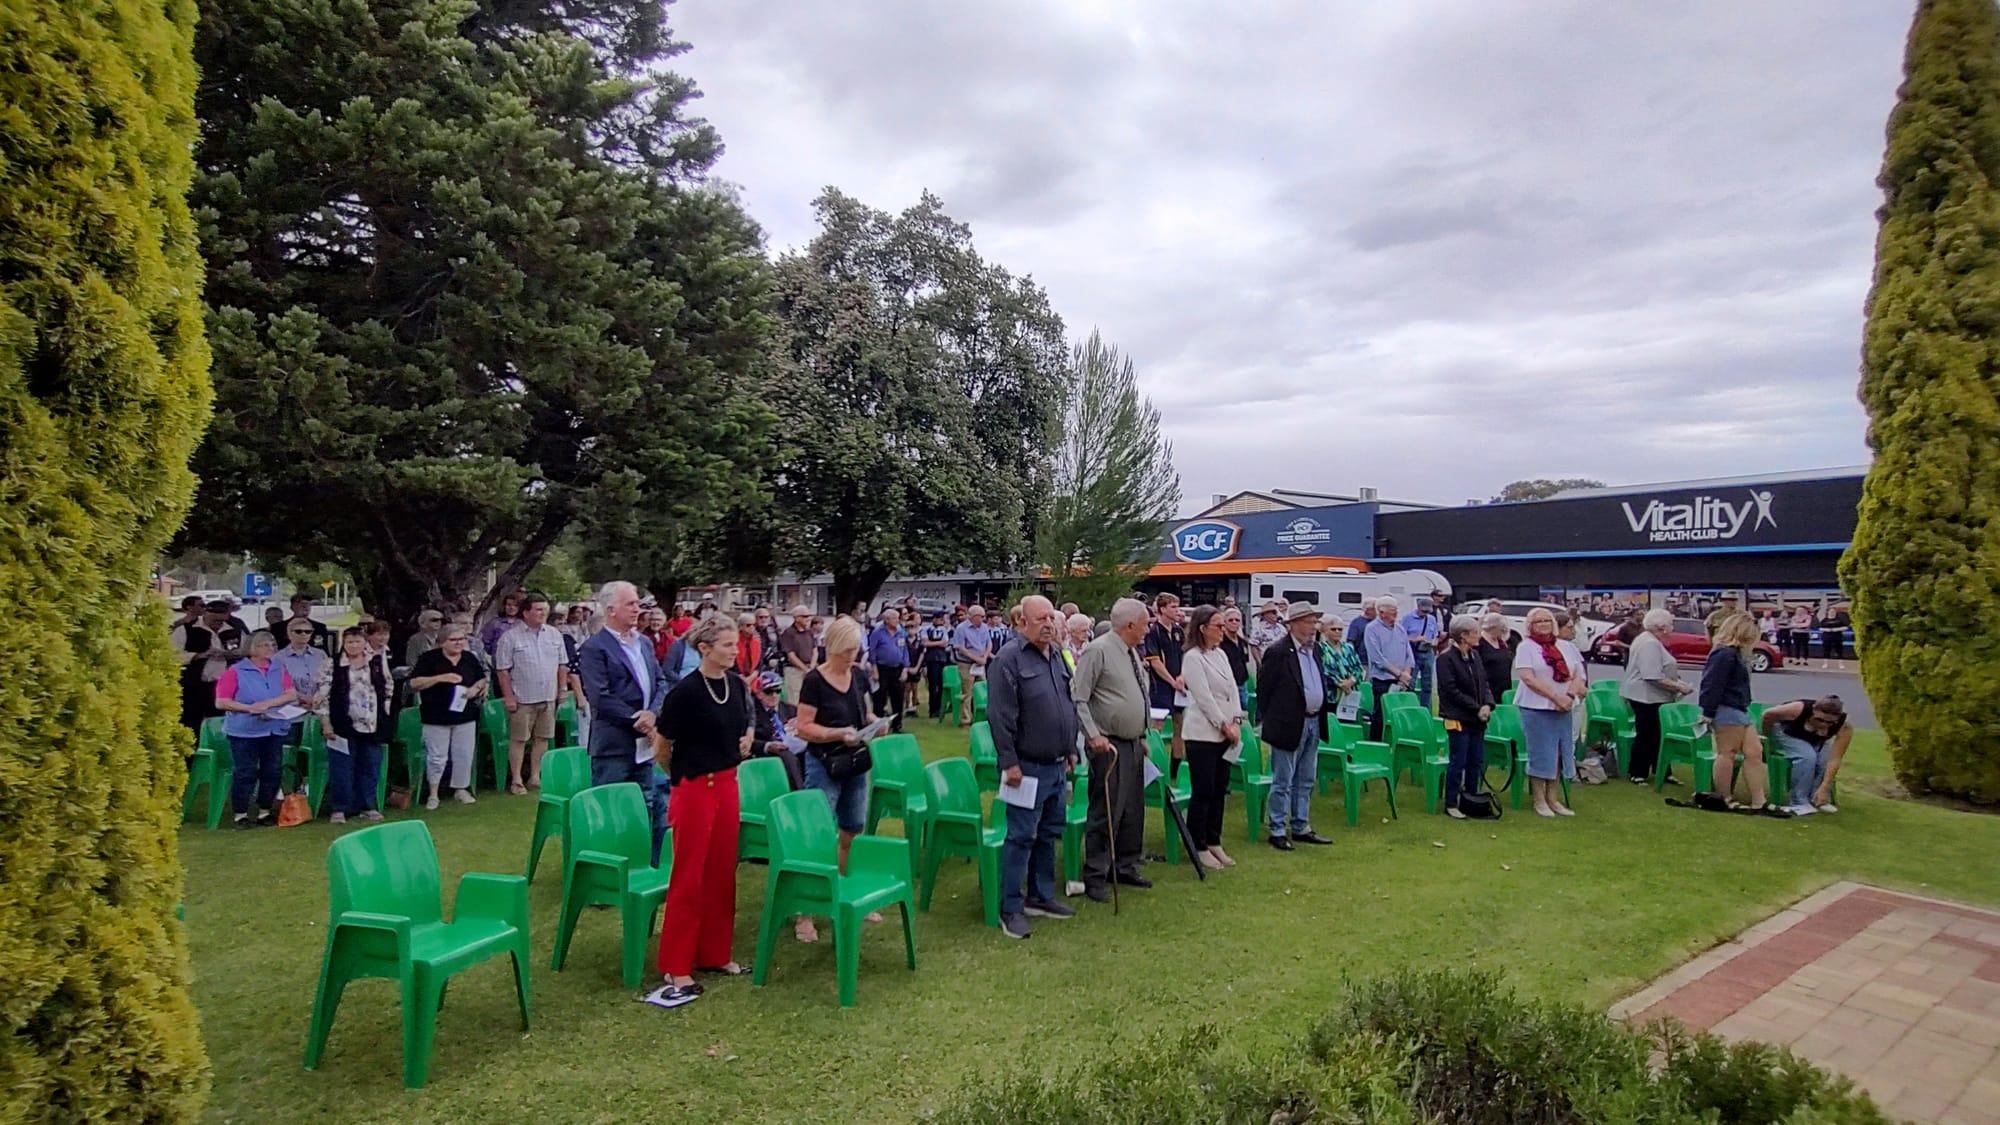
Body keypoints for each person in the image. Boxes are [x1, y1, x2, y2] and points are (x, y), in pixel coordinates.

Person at [646, 615, 750, 1008]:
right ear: (704, 648)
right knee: (689, 874)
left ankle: (714, 953)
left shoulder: (736, 685)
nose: (733, 650)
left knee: (722, 871)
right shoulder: (685, 693)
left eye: (735, 644)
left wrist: (742, 742)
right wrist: (681, 779)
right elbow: (663, 746)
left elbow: (741, 725)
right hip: (694, 789)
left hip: (728, 784)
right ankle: (676, 963)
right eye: (726, 644)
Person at [987, 596, 1081, 938]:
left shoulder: (1057, 655)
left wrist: (1071, 748)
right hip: (1025, 767)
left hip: (1056, 765)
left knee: (1049, 832)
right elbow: (999, 716)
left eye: (1051, 619)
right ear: (1022, 623)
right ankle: (1010, 907)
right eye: (1040, 619)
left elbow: (1067, 703)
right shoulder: (1008, 660)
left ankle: (1041, 896)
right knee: (1021, 836)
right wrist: (1008, 762)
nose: (1048, 624)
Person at [792, 616, 878, 943]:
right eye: (846, 652)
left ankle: (845, 888)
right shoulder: (815, 680)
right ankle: (804, 911)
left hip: (856, 764)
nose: (852, 657)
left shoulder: (857, 675)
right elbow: (802, 726)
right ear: (832, 648)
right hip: (824, 763)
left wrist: (875, 723)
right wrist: (835, 734)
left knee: (852, 830)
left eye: (855, 651)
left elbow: (863, 712)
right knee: (817, 834)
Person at [578, 581, 670, 862]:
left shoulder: (643, 642)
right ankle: (605, 874)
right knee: (610, 808)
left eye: (637, 603)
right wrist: (636, 719)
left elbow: (660, 682)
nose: (637, 608)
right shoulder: (594, 648)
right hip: (613, 744)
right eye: (630, 603)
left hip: (643, 743)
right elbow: (600, 697)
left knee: (647, 803)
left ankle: (647, 862)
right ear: (611, 610)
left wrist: (652, 713)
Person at [1071, 598, 1154, 900]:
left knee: (1133, 810)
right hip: (1108, 745)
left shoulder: (1131, 651)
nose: (1148, 629)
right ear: (1130, 624)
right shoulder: (1099, 650)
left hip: (1132, 743)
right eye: (1145, 623)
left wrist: (1140, 732)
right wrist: (1092, 734)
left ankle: (1126, 865)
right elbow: (1079, 697)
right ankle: (1096, 874)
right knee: (1106, 811)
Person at [1256, 603, 1333, 849]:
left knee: (1306, 777)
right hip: (1288, 723)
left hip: (1313, 721)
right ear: (1295, 624)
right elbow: (1264, 689)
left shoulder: (1316, 649)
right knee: (1283, 779)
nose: (1313, 628)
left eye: (1314, 622)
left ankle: (1301, 825)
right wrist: (1274, 720)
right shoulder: (1279, 652)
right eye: (1310, 622)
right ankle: (1277, 828)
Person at [1180, 605, 1244, 871]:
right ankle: (1199, 844)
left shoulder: (1221, 655)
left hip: (1228, 730)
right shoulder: (1193, 658)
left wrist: (1237, 720)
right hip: (1203, 734)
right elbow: (1204, 697)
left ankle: (1214, 839)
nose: (1223, 630)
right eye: (1218, 625)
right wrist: (1222, 724)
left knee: (1220, 789)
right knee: (1203, 789)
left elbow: (1233, 688)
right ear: (1203, 629)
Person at [215, 629, 298, 828]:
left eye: (272, 645)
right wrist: (249, 708)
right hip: (244, 731)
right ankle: (240, 813)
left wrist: (268, 704)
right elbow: (222, 702)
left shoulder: (279, 668)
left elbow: (290, 693)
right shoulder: (235, 671)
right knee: (246, 772)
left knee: (272, 771)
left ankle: (265, 811)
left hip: (274, 728)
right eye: (264, 645)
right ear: (252, 648)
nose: (270, 649)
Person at [494, 592, 570, 793]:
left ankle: (536, 776)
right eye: (538, 609)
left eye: (545, 610)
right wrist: (509, 697)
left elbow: (563, 665)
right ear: (525, 613)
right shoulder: (510, 637)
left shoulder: (554, 634)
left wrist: (562, 689)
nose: (542, 613)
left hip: (548, 696)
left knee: (543, 738)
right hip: (522, 698)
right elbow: (502, 669)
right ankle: (517, 779)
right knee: (519, 739)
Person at [1512, 607, 1585, 818]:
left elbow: (1579, 674)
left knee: (1560, 753)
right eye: (1538, 622)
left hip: (1564, 707)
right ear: (1530, 626)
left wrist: (1569, 697)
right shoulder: (1526, 647)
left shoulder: (1566, 646)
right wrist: (1555, 697)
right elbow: (1528, 678)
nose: (1543, 624)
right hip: (1536, 707)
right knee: (1542, 753)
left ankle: (1553, 798)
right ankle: (1539, 799)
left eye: (1546, 620)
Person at [408, 624, 487, 809]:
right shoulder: (428, 659)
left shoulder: (469, 658)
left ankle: (461, 788)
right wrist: (440, 678)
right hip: (436, 715)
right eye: (454, 640)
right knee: (437, 756)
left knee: (464, 754)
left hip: (465, 714)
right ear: (443, 642)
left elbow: (481, 678)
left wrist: (475, 689)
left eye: (462, 639)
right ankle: (433, 793)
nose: (459, 643)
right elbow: (414, 682)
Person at [321, 627, 391, 824]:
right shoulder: (332, 663)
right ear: (344, 643)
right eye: (350, 642)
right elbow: (322, 695)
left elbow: (387, 686)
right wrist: (325, 722)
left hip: (371, 723)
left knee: (370, 766)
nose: (354, 646)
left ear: (364, 642)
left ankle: (367, 806)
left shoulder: (376, 661)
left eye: (357, 642)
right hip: (342, 722)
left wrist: (384, 711)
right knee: (342, 767)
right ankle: (340, 808)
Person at [1701, 612, 1768, 810]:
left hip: (1740, 708)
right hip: (1726, 708)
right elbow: (1711, 684)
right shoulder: (1724, 654)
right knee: (1727, 753)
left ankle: (1759, 800)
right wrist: (1708, 712)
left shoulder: (1736, 654)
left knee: (1754, 752)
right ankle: (1724, 797)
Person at [1620, 609, 1694, 785]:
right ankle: (1638, 772)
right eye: (1670, 624)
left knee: (1657, 734)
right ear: (1661, 627)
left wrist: (1676, 680)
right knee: (1647, 734)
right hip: (1646, 697)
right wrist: (1679, 686)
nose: (1672, 628)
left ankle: (1662, 770)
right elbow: (1651, 675)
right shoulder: (1649, 643)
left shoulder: (1649, 640)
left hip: (1651, 696)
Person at [1436, 617, 1495, 818]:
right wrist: (1476, 707)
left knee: (1475, 760)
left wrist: (1487, 704)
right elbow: (1451, 690)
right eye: (1475, 633)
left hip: (1477, 719)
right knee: (1458, 760)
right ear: (1463, 636)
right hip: (1458, 718)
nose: (1479, 637)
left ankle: (1472, 798)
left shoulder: (1475, 655)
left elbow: (1484, 683)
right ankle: (1451, 802)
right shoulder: (1445, 659)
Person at [1760, 696, 1851, 814]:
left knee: (1824, 759)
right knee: (1807, 756)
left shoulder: (1845, 726)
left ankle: (1818, 798)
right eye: (1819, 719)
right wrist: (1769, 739)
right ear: (1813, 710)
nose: (1824, 724)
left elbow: (1835, 758)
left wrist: (1825, 787)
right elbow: (1767, 714)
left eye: (1830, 722)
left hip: (1816, 738)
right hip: (1786, 731)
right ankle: (1799, 802)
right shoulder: (1797, 709)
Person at [1142, 593, 1188, 766]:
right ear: (1162, 609)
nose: (1177, 610)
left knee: (1179, 724)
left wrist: (1182, 678)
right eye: (1173, 607)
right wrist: (1171, 681)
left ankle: (1175, 765)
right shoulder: (1153, 632)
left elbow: (1183, 655)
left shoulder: (1178, 631)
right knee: (1157, 726)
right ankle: (1151, 763)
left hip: (1179, 684)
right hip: (1160, 686)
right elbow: (1155, 661)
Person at [1363, 597, 1414, 743]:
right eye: (1393, 612)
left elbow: (1408, 654)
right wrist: (1399, 673)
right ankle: (1376, 744)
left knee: (1401, 714)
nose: (1396, 614)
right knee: (1380, 714)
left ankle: (1398, 743)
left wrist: (1406, 673)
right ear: (1382, 612)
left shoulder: (1400, 629)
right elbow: (1377, 658)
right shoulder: (1372, 629)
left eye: (1396, 611)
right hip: (1382, 680)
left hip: (1401, 680)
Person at [273, 616, 329, 744]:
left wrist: (317, 699)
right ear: (289, 634)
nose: (303, 634)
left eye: (307, 631)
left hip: (318, 712)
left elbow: (327, 680)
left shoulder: (321, 655)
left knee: (317, 752)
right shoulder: (278, 658)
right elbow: (279, 685)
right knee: (291, 753)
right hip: (292, 713)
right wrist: (304, 698)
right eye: (298, 631)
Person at [745, 670, 804, 790]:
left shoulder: (790, 709)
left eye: (777, 691)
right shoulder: (751, 713)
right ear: (759, 694)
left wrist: (800, 726)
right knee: (786, 755)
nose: (774, 695)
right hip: (767, 751)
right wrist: (768, 745)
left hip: (793, 745)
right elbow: (748, 740)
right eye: (768, 692)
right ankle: (798, 793)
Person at [949, 604, 995, 726]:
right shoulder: (961, 628)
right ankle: (966, 719)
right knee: (967, 692)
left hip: (980, 663)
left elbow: (988, 643)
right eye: (982, 616)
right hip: (966, 664)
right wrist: (975, 658)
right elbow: (960, 648)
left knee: (983, 689)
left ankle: (984, 716)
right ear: (974, 617)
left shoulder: (984, 627)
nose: (984, 619)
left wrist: (985, 657)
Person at [866, 608, 910, 734]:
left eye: (898, 618)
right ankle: (877, 726)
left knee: (898, 697)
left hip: (897, 668)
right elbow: (872, 651)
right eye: (895, 618)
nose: (897, 620)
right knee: (879, 698)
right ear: (887, 620)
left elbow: (904, 650)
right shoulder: (877, 633)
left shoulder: (901, 632)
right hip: (882, 668)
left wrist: (905, 668)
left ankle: (897, 725)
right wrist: (874, 669)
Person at [1316, 615, 1363, 722]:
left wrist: (1351, 681)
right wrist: (1340, 683)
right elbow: (1323, 670)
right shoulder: (1320, 648)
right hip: (1331, 696)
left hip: (1350, 695)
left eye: (1340, 629)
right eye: (1333, 629)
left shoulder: (1348, 648)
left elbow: (1359, 668)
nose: (1337, 632)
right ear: (1324, 631)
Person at [1402, 597, 1443, 708]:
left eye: (1427, 612)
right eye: (1423, 611)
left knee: (1427, 684)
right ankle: (1409, 706)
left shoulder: (1431, 619)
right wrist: (1414, 639)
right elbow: (1401, 637)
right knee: (1411, 683)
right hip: (1414, 652)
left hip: (1428, 652)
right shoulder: (1407, 618)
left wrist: (1434, 641)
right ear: (1418, 608)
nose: (1425, 614)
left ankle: (1426, 709)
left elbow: (1435, 634)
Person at [778, 605, 817, 704]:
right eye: (805, 616)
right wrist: (804, 669)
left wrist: (811, 667)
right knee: (794, 699)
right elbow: (791, 655)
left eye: (809, 616)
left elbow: (815, 650)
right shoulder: (789, 633)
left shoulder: (809, 632)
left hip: (809, 668)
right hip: (794, 670)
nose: (808, 619)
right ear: (796, 618)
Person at [1218, 606, 1253, 712]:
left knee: (1245, 711)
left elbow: (1245, 661)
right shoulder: (1220, 642)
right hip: (1226, 686)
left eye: (1237, 620)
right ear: (1224, 623)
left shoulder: (1243, 642)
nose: (1234, 622)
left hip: (1242, 683)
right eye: (1230, 620)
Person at [919, 610, 952, 717]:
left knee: (941, 684)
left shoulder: (943, 630)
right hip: (932, 659)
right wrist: (938, 643)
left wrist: (933, 643)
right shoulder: (926, 629)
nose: (941, 621)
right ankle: (932, 708)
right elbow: (925, 643)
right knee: (933, 685)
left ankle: (938, 707)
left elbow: (945, 643)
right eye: (939, 619)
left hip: (942, 659)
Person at [1477, 614, 1514, 703]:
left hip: (1504, 688)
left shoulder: (1501, 642)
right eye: (1501, 630)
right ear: (1492, 628)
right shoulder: (1479, 643)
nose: (1503, 632)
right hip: (1487, 690)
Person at [479, 591, 522, 658]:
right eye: (508, 605)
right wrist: (494, 651)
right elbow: (486, 641)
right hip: (499, 658)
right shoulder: (495, 623)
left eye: (515, 605)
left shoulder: (523, 623)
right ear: (504, 606)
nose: (511, 608)